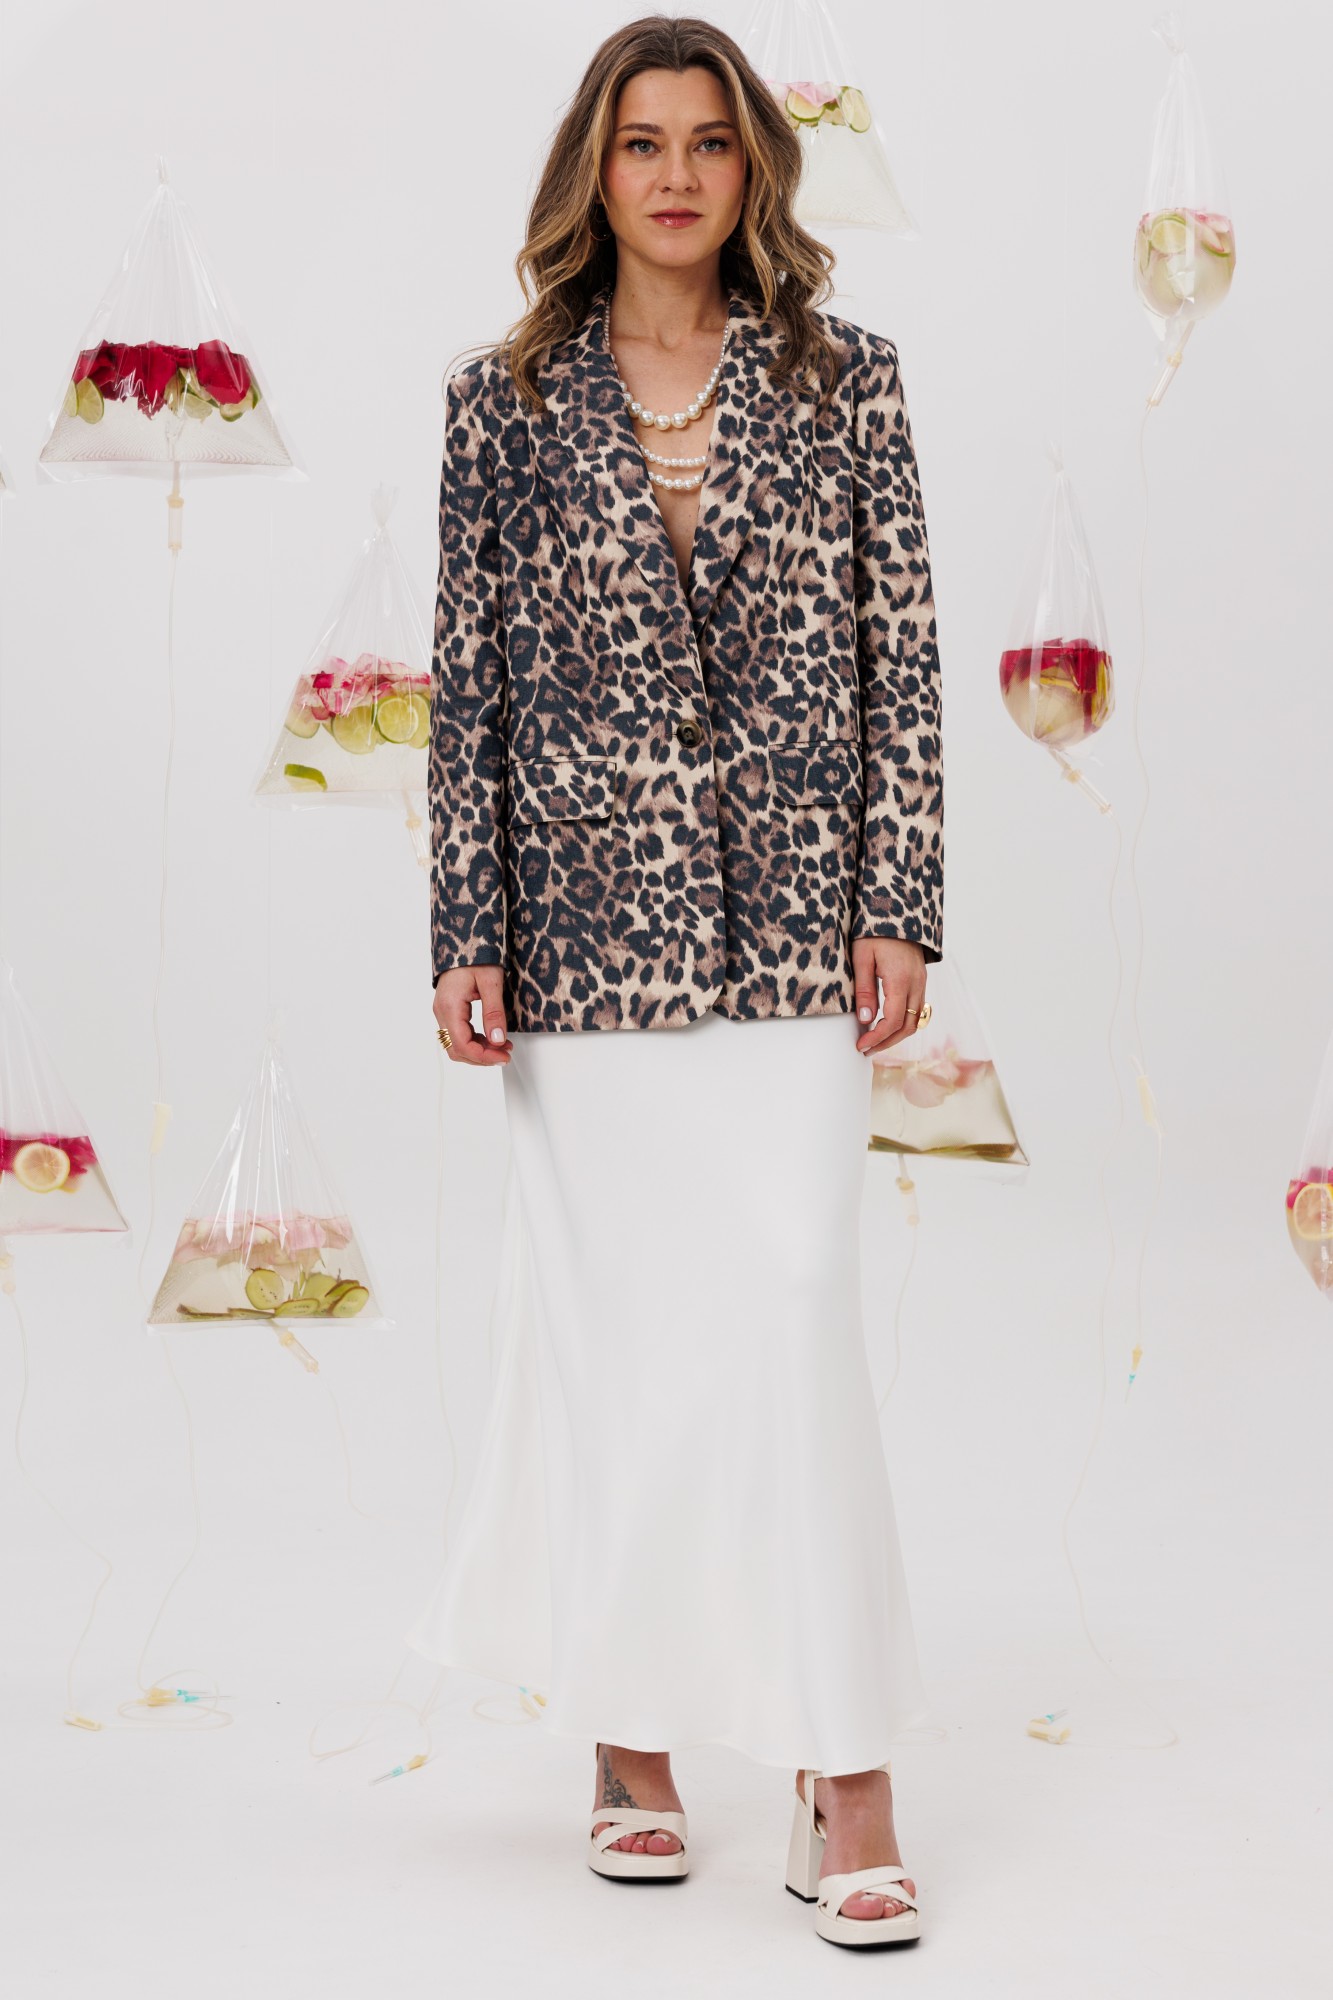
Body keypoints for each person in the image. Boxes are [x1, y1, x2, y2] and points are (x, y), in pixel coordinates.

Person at [404, 13, 943, 1951]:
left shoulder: (847, 380)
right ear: (596, 167)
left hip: (797, 922)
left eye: (709, 142)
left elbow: (901, 653)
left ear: (751, 169)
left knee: (793, 1310)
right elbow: (469, 681)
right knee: (617, 1338)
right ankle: (628, 1738)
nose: (677, 175)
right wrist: (466, 926)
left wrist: (901, 895)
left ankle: (841, 1763)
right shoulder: (501, 401)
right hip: (581, 935)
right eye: (642, 142)